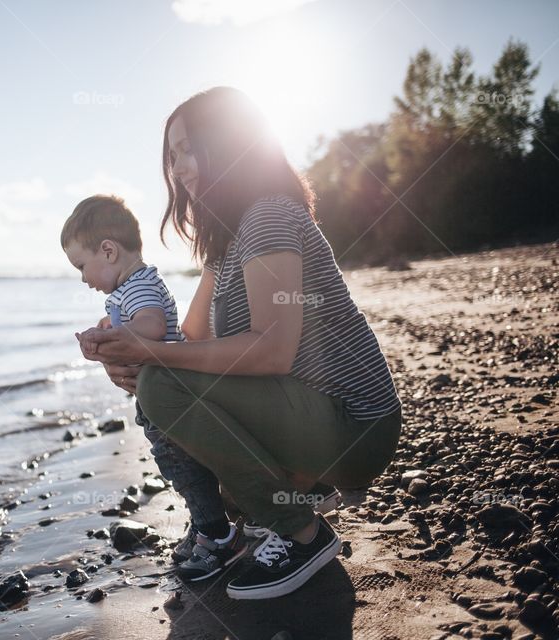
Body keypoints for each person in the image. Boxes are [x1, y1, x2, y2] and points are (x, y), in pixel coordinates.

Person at [77, 87, 403, 600]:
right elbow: (195, 338)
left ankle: (304, 535)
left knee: (163, 387)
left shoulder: (269, 215)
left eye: (186, 149)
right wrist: (128, 353)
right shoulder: (231, 238)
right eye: (171, 156)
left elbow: (271, 350)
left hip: (356, 423)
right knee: (172, 404)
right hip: (315, 417)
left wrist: (153, 362)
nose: (178, 168)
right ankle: (296, 490)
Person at [61, 194, 247, 581]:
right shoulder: (129, 288)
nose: (83, 278)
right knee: (183, 465)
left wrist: (109, 337)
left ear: (108, 251)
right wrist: (107, 329)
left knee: (181, 465)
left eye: (82, 266)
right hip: (162, 396)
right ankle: (206, 524)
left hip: (169, 400)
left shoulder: (140, 287)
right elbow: (134, 320)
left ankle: (217, 536)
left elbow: (151, 327)